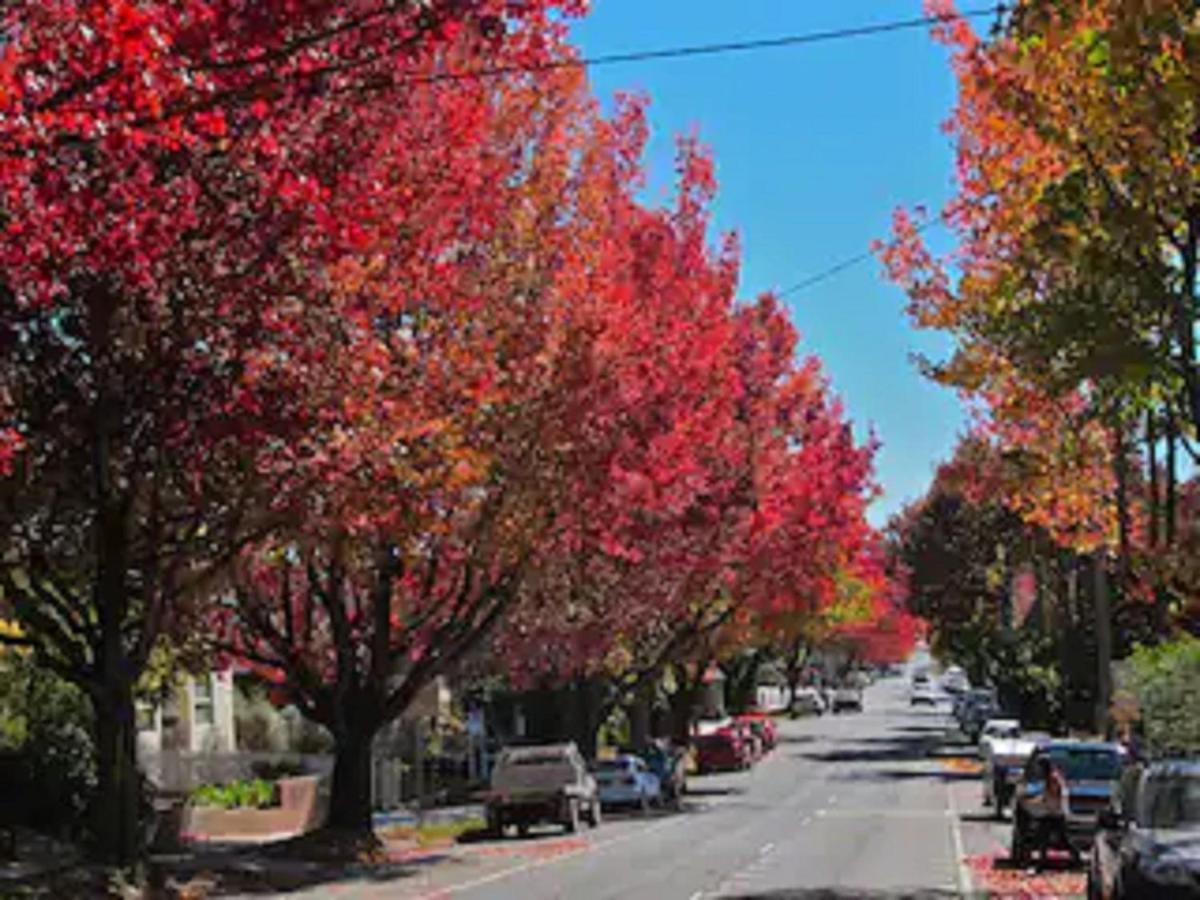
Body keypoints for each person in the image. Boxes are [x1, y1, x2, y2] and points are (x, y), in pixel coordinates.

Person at [1034, 757, 1080, 871]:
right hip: (1051, 812)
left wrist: (1046, 802)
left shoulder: (1053, 778)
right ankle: (1042, 862)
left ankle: (1076, 858)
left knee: (1062, 839)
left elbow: (1056, 794)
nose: (1037, 771)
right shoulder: (1050, 778)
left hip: (1055, 813)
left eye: (1039, 768)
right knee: (1043, 838)